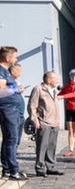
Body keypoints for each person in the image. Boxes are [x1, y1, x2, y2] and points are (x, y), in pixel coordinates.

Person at [27, 71, 64, 177]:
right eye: (55, 78)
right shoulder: (38, 89)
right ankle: (40, 168)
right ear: (48, 80)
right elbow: (32, 106)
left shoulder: (54, 91)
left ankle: (51, 167)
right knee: (42, 146)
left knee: (52, 146)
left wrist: (58, 121)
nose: (57, 81)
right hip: (43, 122)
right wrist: (35, 120)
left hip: (54, 123)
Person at [0, 46, 28, 181]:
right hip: (7, 110)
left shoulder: (6, 72)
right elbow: (1, 91)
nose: (16, 59)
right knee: (11, 140)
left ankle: (7, 168)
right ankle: (13, 170)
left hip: (12, 109)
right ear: (7, 58)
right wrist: (15, 89)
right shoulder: (1, 71)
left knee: (10, 140)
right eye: (15, 57)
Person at [57, 68, 75, 156]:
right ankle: (71, 149)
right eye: (72, 75)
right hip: (69, 109)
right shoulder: (67, 87)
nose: (74, 77)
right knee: (70, 129)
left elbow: (74, 94)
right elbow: (59, 95)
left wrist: (62, 96)